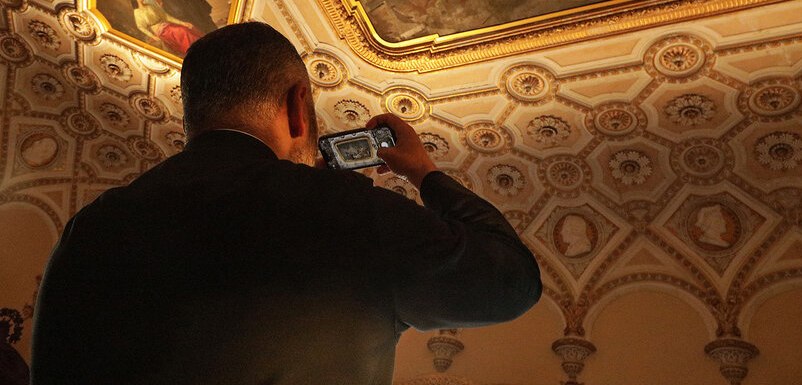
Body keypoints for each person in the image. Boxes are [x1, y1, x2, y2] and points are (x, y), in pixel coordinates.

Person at [30, 22, 542, 384]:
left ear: (192, 116)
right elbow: (511, 282)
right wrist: (424, 173)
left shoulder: (92, 226)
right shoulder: (346, 216)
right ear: (299, 107)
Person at [127, 0, 203, 57]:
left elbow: (165, 16)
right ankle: (195, 51)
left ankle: (200, 47)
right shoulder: (137, 13)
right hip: (161, 32)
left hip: (167, 26)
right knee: (182, 31)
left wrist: (182, 23)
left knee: (186, 28)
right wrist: (153, 37)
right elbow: (141, 27)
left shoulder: (149, 6)